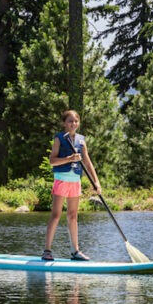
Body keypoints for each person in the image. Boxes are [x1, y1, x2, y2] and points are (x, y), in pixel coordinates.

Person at [43, 110, 101, 261]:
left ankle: (75, 252)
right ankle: (47, 251)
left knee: (73, 216)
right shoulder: (59, 138)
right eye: (70, 121)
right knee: (56, 215)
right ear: (64, 123)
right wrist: (69, 158)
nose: (73, 124)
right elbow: (52, 161)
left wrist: (96, 182)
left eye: (75, 121)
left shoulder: (82, 141)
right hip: (61, 179)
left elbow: (88, 163)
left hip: (75, 181)